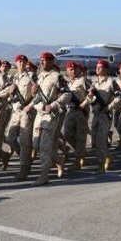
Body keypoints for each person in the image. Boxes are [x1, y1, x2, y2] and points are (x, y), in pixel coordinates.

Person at [29, 51, 69, 186]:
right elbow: (37, 97)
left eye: (45, 60)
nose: (42, 62)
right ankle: (59, 160)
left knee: (45, 146)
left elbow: (67, 95)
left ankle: (44, 175)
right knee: (36, 145)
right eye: (41, 60)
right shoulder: (39, 77)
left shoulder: (57, 77)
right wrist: (33, 93)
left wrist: (53, 105)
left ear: (51, 62)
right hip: (39, 115)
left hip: (51, 116)